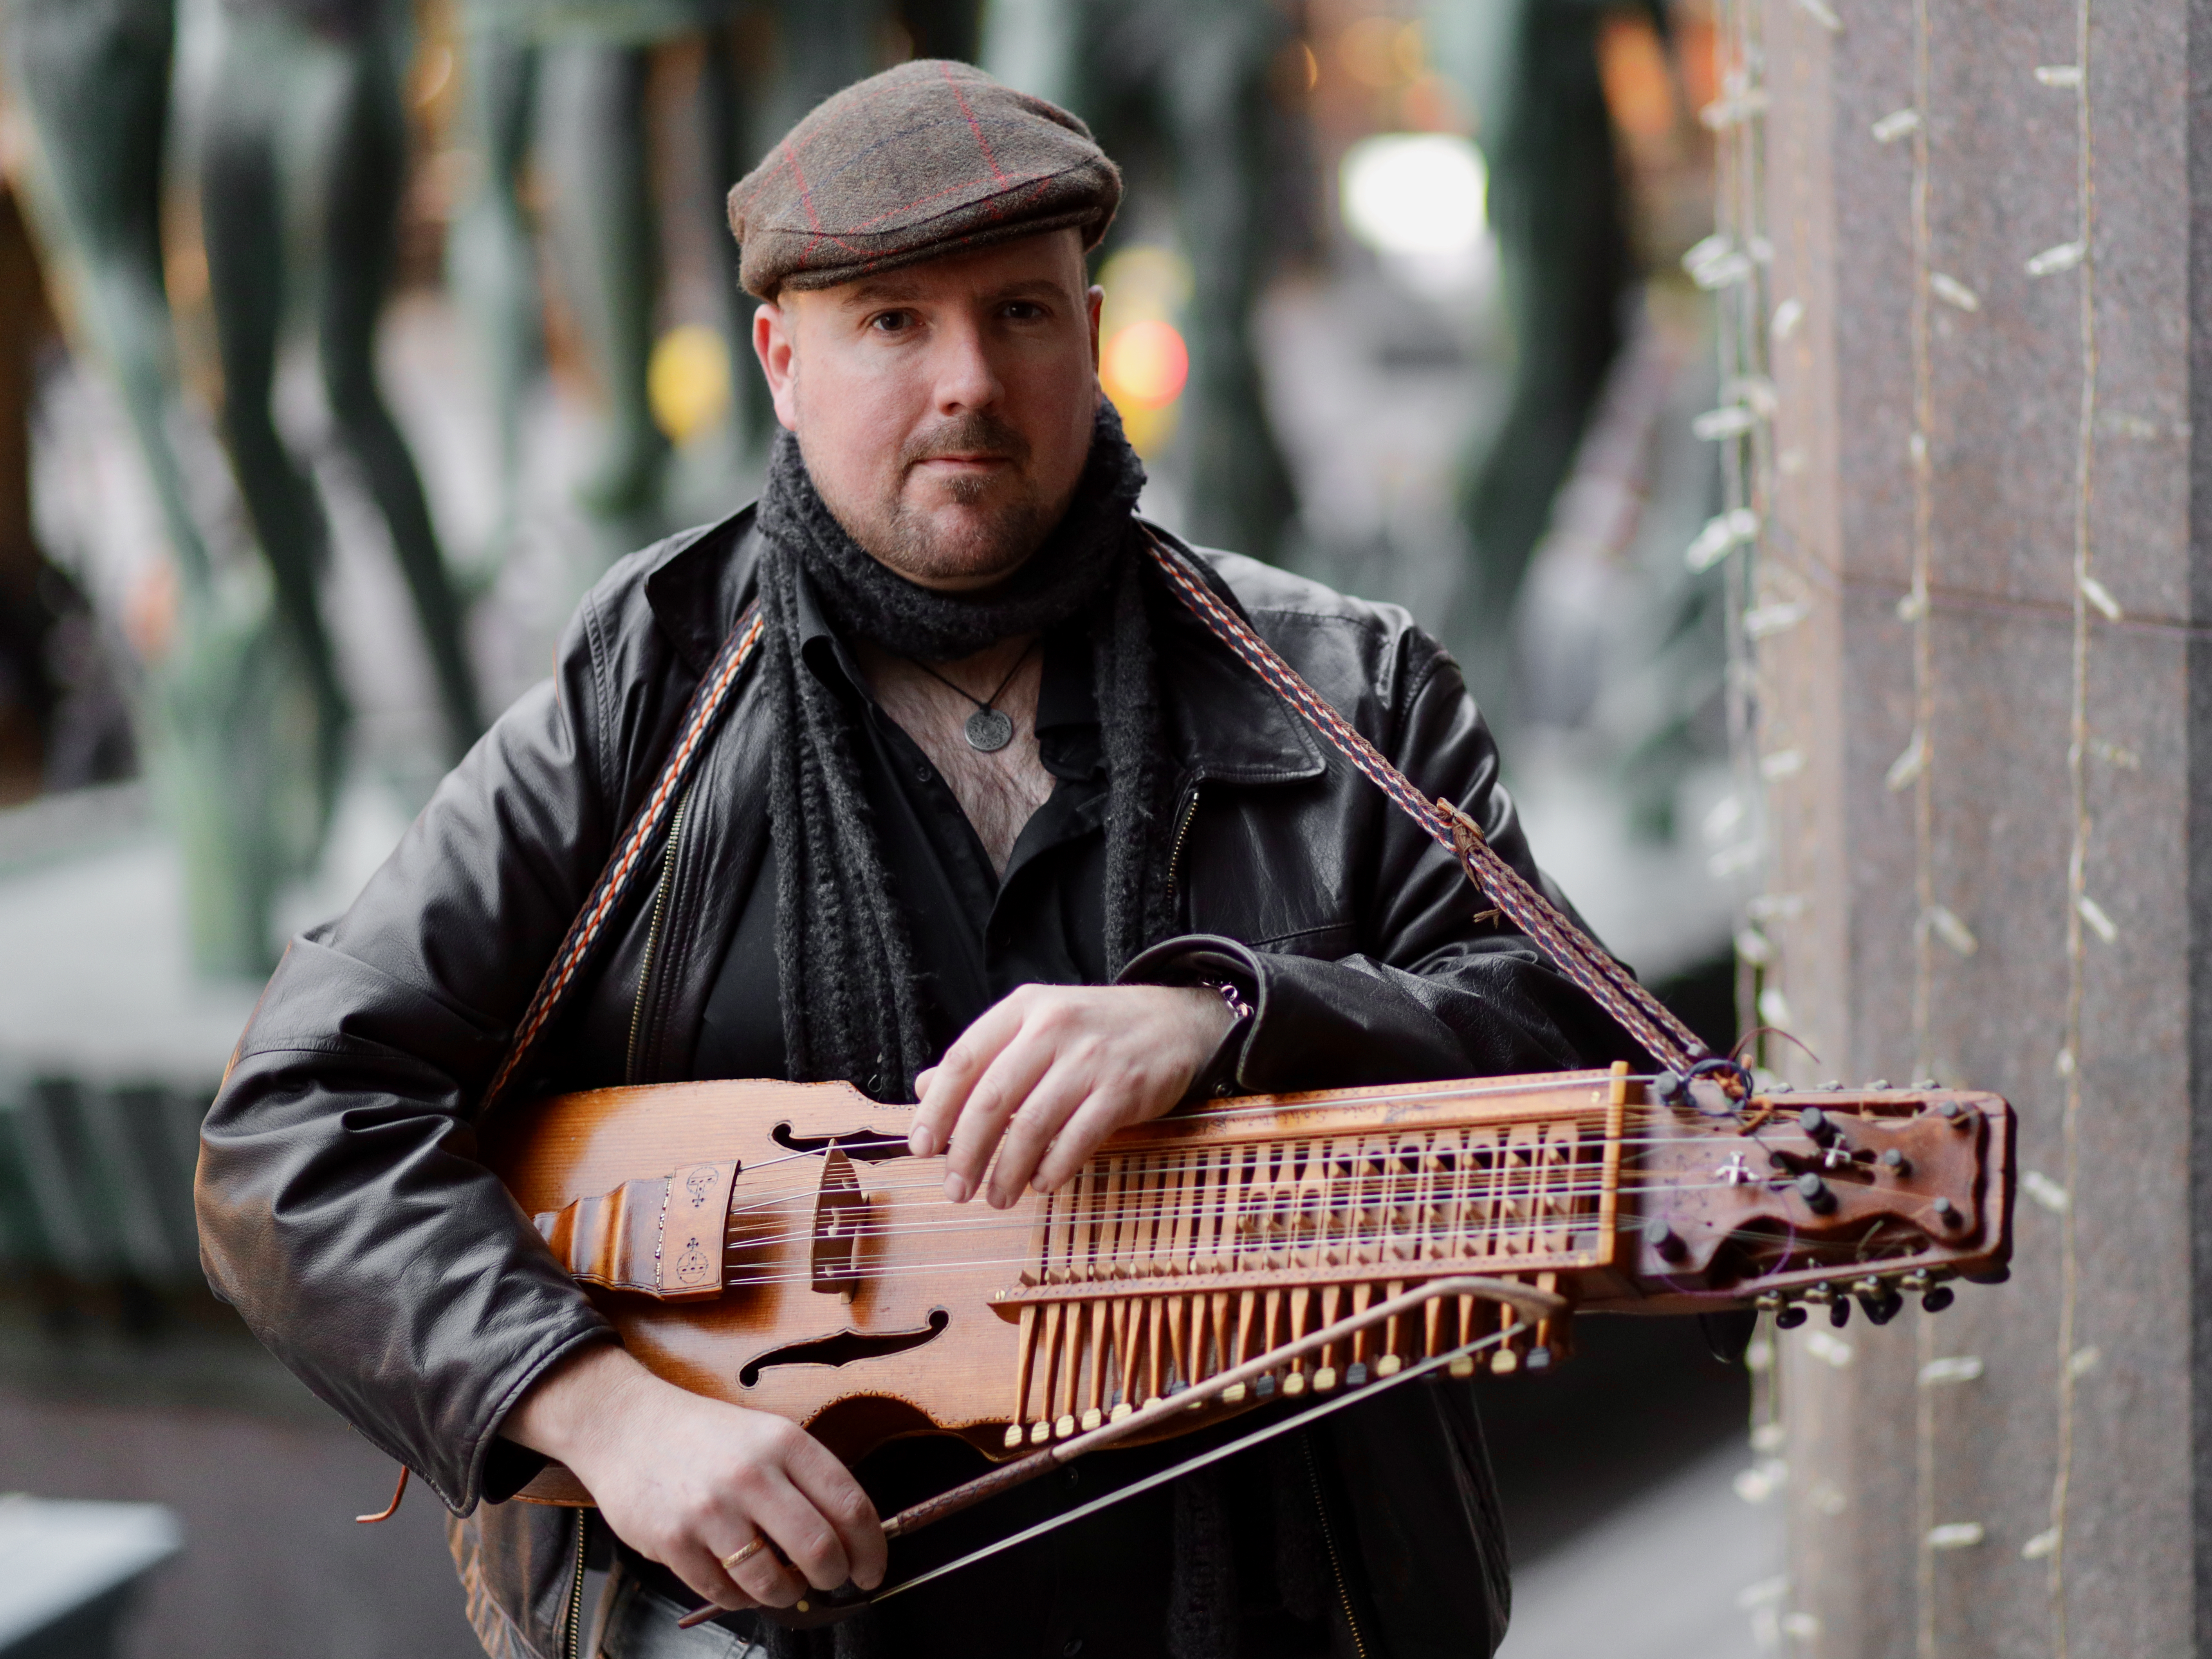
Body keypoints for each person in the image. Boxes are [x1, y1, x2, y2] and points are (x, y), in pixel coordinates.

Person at [197, 59, 1638, 1659]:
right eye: (894, 320)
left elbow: (1588, 1053)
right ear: (781, 359)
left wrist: (1237, 1015)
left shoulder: (1348, 687)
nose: (970, 379)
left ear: (1091, 334)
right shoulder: (651, 685)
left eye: (1022, 313)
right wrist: (596, 1409)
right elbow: (295, 1121)